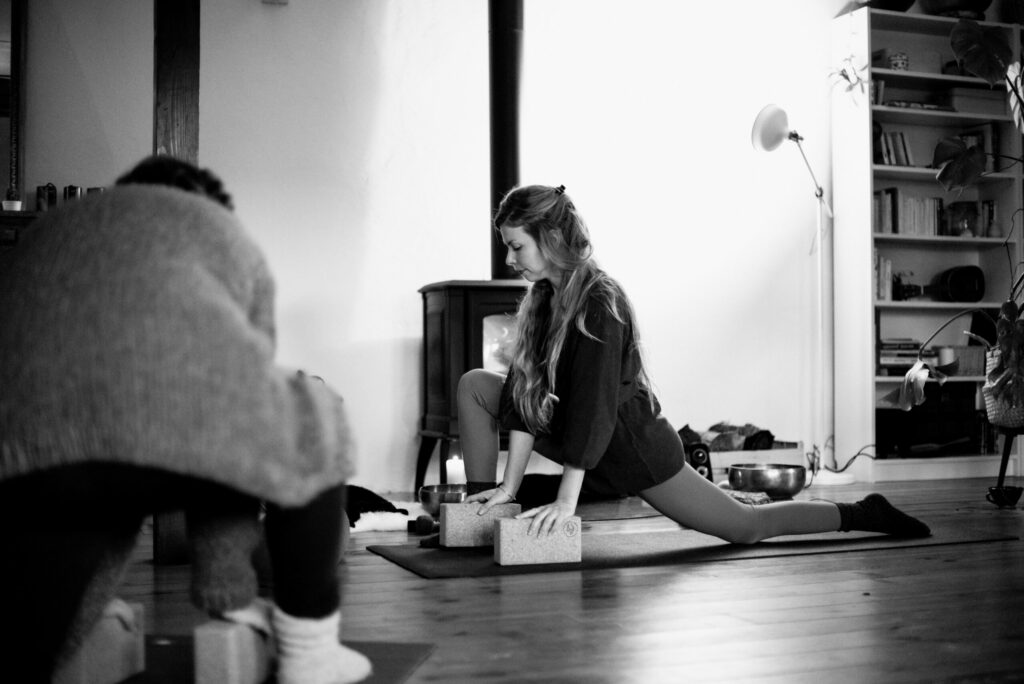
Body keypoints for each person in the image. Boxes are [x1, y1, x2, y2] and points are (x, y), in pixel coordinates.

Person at [0, 156, 370, 684]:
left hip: (22, 445)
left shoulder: (50, 228)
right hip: (173, 428)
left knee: (82, 518)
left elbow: (95, 486)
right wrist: (228, 591)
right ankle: (310, 652)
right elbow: (238, 401)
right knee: (313, 415)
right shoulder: (226, 234)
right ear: (212, 206)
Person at [460, 184, 930, 542]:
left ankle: (860, 512)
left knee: (745, 527)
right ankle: (478, 511)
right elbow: (522, 398)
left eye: (516, 246)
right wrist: (506, 491)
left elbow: (593, 409)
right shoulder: (542, 300)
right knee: (478, 385)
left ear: (550, 238)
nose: (510, 259)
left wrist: (566, 501)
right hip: (584, 445)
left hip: (632, 451)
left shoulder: (599, 301)